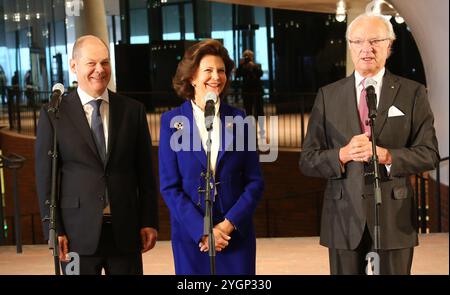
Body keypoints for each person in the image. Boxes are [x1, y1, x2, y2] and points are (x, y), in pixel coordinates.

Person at [299, 13, 439, 275]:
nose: (367, 48)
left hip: (393, 217)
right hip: (343, 217)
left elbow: (429, 154)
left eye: (375, 40)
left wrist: (387, 156)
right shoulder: (328, 95)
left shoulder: (413, 93)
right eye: (358, 41)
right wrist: (342, 154)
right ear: (349, 45)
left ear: (390, 45)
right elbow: (308, 159)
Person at [35, 35, 158, 275]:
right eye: (91, 63)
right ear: (74, 66)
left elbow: (146, 175)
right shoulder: (54, 114)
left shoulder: (133, 110)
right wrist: (54, 228)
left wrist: (149, 220)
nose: (99, 70)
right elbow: (45, 179)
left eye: (105, 62)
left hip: (125, 230)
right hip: (74, 235)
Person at [159, 39, 264, 275]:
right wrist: (204, 231)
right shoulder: (171, 122)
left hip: (234, 236)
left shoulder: (241, 120)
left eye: (221, 70)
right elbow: (169, 187)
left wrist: (226, 227)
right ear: (192, 77)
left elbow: (255, 182)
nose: (216, 77)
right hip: (192, 238)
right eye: (208, 70)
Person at [235, 49, 264, 118]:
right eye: (245, 56)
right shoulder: (242, 66)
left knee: (259, 109)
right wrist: (240, 65)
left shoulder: (256, 65)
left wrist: (254, 67)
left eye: (249, 56)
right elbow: (237, 75)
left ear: (252, 57)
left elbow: (260, 74)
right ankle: (250, 127)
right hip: (246, 90)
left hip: (257, 90)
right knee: (248, 109)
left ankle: (261, 127)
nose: (247, 57)